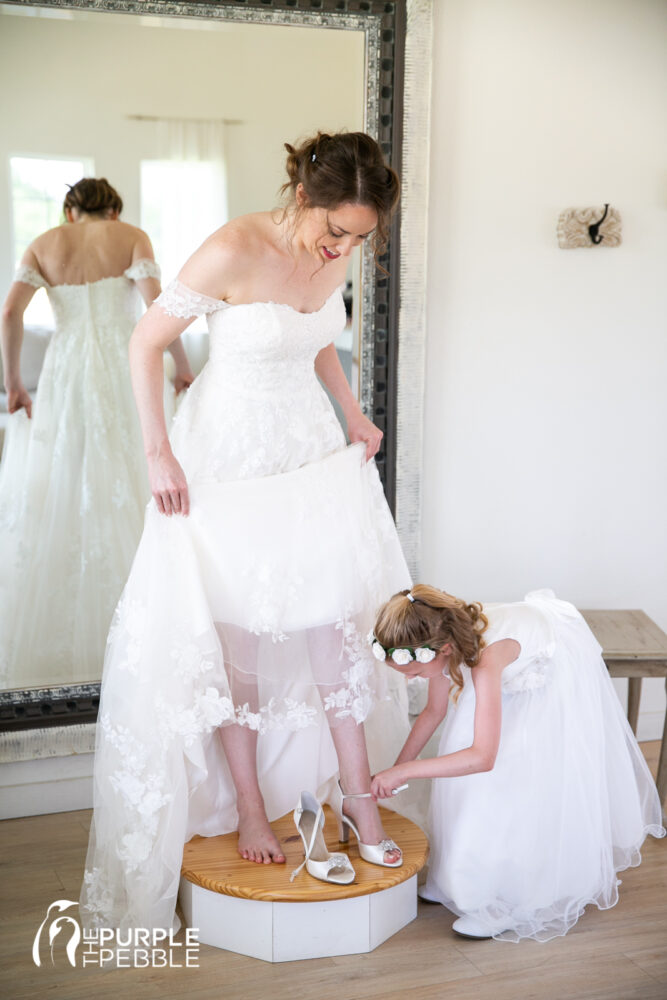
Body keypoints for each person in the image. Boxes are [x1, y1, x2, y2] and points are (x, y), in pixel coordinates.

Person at [80, 133, 414, 935]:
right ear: (303, 195)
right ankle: (253, 812)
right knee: (238, 645)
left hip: (306, 455)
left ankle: (361, 808)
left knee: (334, 630)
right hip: (223, 464)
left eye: (359, 238)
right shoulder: (233, 246)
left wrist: (355, 414)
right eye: (336, 230)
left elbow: (318, 344)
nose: (343, 247)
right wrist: (157, 452)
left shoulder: (334, 247)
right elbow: (145, 341)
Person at [369, 585, 665, 942]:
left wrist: (405, 771)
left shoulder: (485, 658)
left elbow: (482, 757)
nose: (411, 678)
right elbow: (434, 711)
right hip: (503, 670)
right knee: (461, 776)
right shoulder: (441, 639)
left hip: (547, 688)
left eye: (415, 673)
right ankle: (455, 878)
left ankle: (510, 899)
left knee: (509, 786)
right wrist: (398, 771)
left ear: (444, 650)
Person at [0, 177, 194, 691]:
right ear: (112, 210)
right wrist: (183, 364)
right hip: (119, 367)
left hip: (64, 373)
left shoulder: (43, 244)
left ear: (70, 210)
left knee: (67, 470)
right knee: (130, 469)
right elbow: (161, 312)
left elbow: (8, 312)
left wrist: (13, 383)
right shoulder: (130, 236)